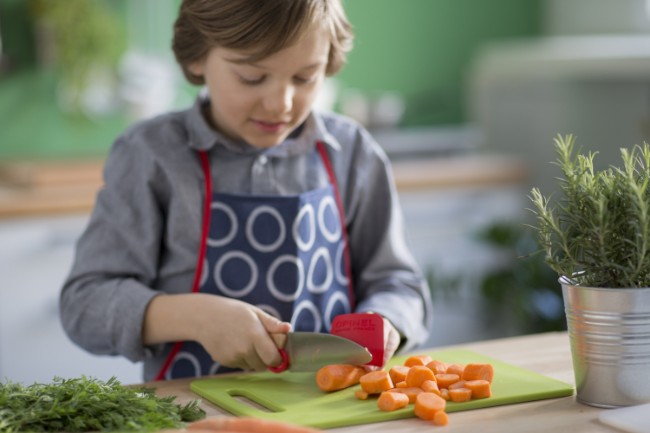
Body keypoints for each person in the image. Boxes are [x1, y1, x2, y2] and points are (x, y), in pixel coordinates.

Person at [60, 0, 433, 381]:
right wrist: (196, 316)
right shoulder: (151, 155)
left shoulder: (353, 153)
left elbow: (400, 284)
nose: (280, 104)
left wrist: (387, 322)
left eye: (305, 78)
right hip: (191, 414)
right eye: (252, 78)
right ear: (197, 59)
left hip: (329, 408)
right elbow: (84, 304)